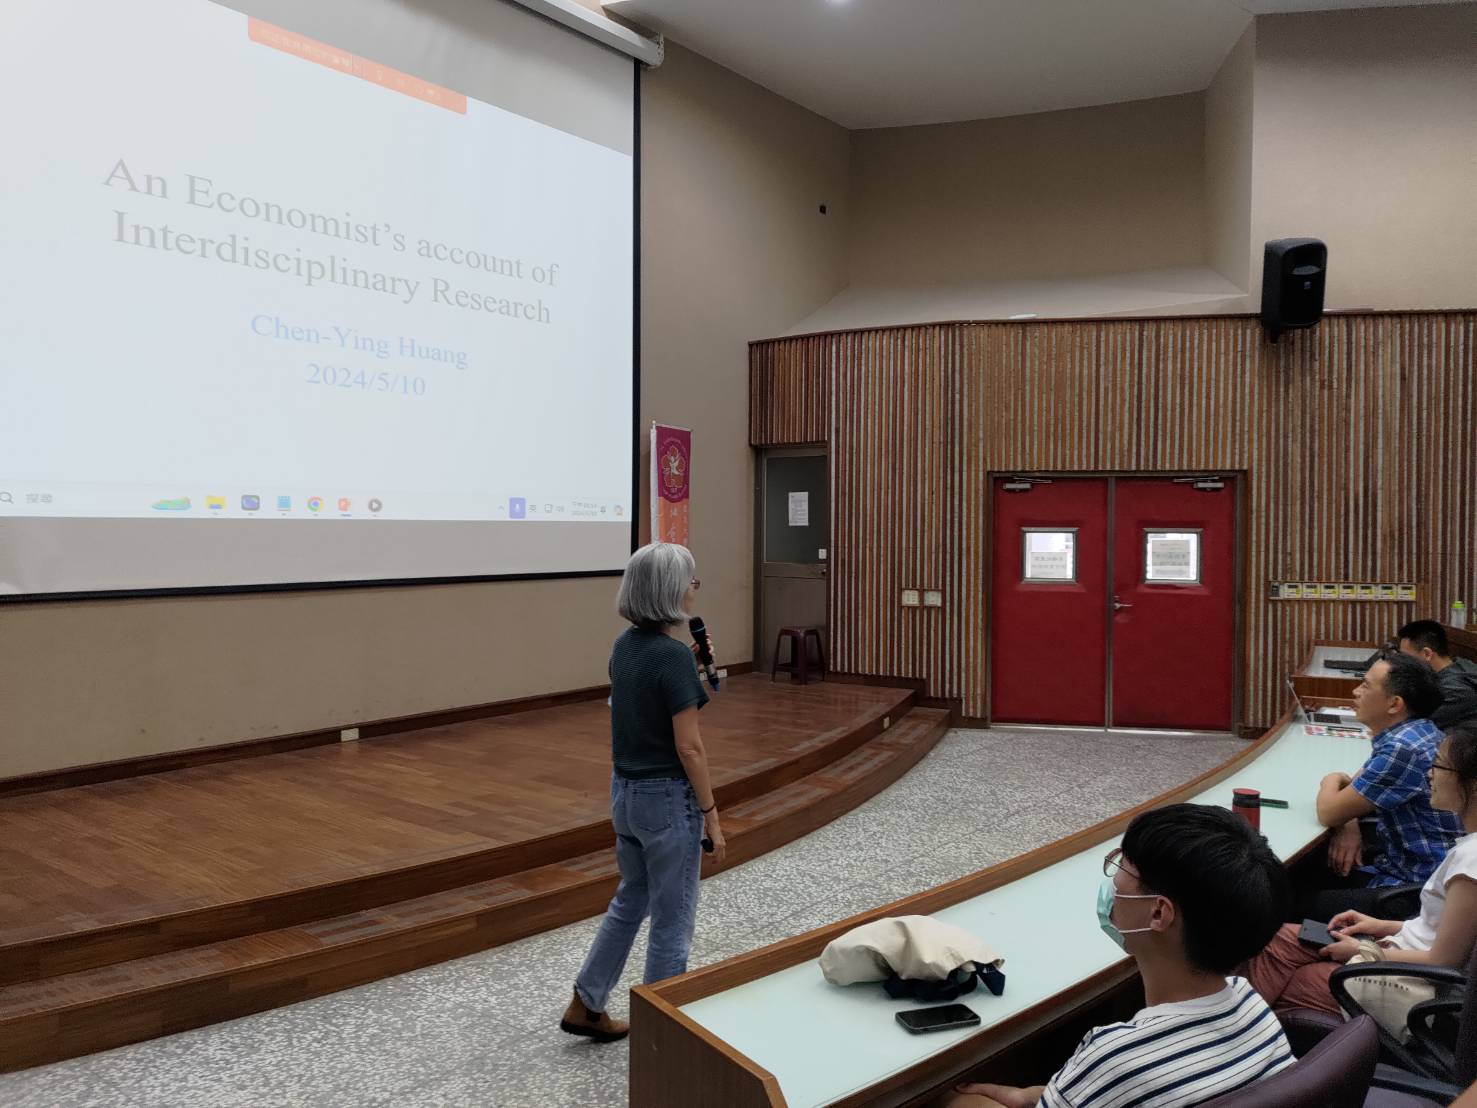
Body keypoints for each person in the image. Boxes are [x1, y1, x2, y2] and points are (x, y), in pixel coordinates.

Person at [945, 805, 1294, 1108]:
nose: (1112, 885)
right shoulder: (1252, 1005)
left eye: (1123, 869)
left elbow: (1120, 1079)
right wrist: (1042, 1095)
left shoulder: (1115, 1057)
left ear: (1158, 913)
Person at [558, 542, 726, 1043]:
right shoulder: (671, 657)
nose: (695, 589)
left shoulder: (624, 647)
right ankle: (663, 1040)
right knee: (673, 918)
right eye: (691, 580)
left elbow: (642, 705)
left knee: (632, 898)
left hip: (627, 795)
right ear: (671, 589)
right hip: (669, 800)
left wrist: (690, 666)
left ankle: (587, 1003)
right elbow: (689, 747)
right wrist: (711, 813)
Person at [1246, 721, 1477, 1033]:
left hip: (1415, 984)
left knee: (1292, 979)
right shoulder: (1467, 847)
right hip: (1399, 950)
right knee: (1281, 939)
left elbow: (1444, 961)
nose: (1429, 775)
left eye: (1438, 765)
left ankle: (1237, 1036)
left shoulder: (1471, 860)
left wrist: (1364, 951)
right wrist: (1380, 926)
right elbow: (1436, 930)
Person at [1303, 652, 1463, 919]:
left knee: (1292, 900)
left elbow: (1329, 811)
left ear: (1394, 704)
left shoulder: (1403, 749)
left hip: (1418, 891)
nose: (1355, 691)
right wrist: (1349, 822)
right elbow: (1358, 789)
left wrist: (1331, 777)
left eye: (1365, 685)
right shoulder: (1418, 732)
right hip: (1411, 869)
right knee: (1310, 870)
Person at [1399, 619, 1477, 730]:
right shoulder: (1455, 666)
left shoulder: (1455, 690)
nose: (1403, 662)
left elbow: (1416, 727)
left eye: (1406, 657)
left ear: (1427, 654)